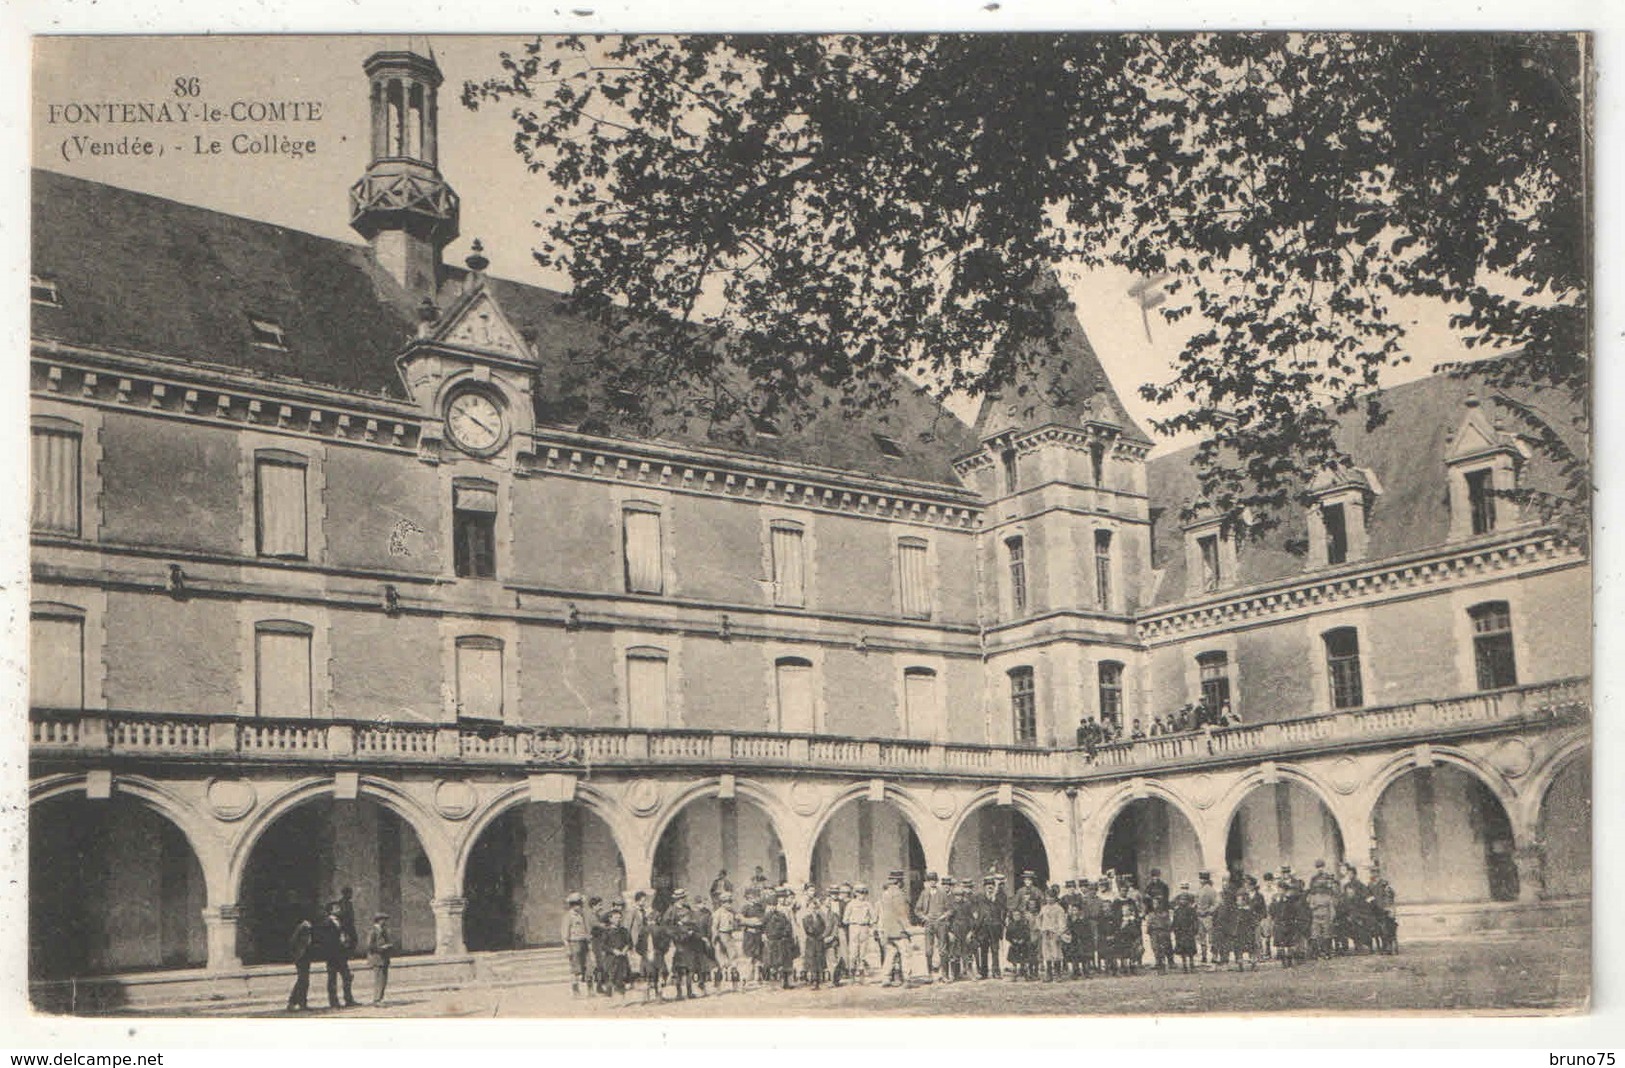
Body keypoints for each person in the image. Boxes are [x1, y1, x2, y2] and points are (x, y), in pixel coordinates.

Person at [318, 900, 357, 1008]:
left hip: (341, 954)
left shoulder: (340, 921)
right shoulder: (326, 923)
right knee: (332, 979)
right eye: (336, 908)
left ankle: (348, 999)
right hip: (332, 955)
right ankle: (334, 1002)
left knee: (347, 977)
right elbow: (326, 940)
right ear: (331, 911)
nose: (339, 909)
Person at [878, 870, 913, 987]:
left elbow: (883, 914)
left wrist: (883, 930)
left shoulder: (885, 894)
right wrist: (908, 928)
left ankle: (885, 978)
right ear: (899, 882)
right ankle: (907, 978)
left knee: (890, 954)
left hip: (888, 930)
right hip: (899, 930)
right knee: (905, 953)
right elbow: (901, 913)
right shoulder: (898, 894)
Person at [914, 871, 951, 977]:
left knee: (943, 949)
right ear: (927, 882)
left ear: (937, 881)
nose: (932, 882)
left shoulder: (943, 893)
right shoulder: (924, 893)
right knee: (928, 950)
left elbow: (950, 909)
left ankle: (944, 974)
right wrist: (924, 917)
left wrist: (943, 916)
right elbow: (917, 909)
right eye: (930, 881)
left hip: (940, 923)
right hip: (929, 923)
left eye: (934, 880)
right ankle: (929, 973)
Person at [763, 890, 797, 988]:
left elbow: (788, 925)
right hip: (771, 941)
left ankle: (785, 982)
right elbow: (762, 926)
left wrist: (785, 934)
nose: (773, 907)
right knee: (771, 962)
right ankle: (771, 983)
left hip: (782, 940)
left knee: (784, 961)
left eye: (774, 905)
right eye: (771, 905)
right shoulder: (766, 916)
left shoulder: (781, 915)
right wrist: (764, 935)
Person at [844, 883, 877, 979]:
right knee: (853, 951)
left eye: (864, 893)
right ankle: (852, 973)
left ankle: (861, 972)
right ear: (855, 893)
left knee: (863, 952)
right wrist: (853, 921)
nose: (862, 895)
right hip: (854, 927)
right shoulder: (851, 904)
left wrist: (869, 922)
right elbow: (845, 919)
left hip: (864, 928)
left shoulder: (868, 904)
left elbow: (874, 917)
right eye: (859, 893)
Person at [562, 892, 592, 995]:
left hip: (584, 942)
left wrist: (588, 941)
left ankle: (590, 989)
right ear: (572, 904)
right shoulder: (568, 916)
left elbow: (586, 929)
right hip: (574, 943)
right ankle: (576, 990)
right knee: (575, 969)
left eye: (580, 904)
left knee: (588, 966)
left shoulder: (582, 915)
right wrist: (568, 948)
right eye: (576, 904)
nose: (579, 906)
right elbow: (565, 934)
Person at [602, 903, 634, 997]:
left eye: (620, 917)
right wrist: (613, 951)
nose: (618, 920)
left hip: (622, 958)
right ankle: (610, 993)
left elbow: (629, 942)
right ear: (610, 919)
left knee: (622, 976)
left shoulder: (624, 930)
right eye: (616, 918)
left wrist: (626, 949)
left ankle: (621, 995)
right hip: (611, 958)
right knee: (612, 976)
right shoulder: (606, 931)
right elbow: (603, 945)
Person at [286, 909, 315, 1012]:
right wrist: (299, 952)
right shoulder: (304, 927)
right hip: (302, 957)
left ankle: (297, 1002)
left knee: (303, 980)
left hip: (303, 956)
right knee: (303, 980)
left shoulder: (305, 926)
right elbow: (297, 941)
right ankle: (298, 1002)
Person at [1037, 888, 1067, 982]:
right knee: (1047, 953)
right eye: (1047, 897)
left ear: (1055, 898)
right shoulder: (1044, 908)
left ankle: (1058, 974)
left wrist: (1059, 933)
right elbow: (1039, 919)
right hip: (1046, 933)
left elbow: (1062, 923)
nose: (1049, 899)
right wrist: (1041, 928)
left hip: (1054, 933)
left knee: (1056, 953)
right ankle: (1048, 975)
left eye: (1051, 897)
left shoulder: (1059, 909)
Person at [365, 912, 393, 1005]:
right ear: (379, 920)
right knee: (379, 980)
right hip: (377, 958)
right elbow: (369, 946)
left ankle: (380, 998)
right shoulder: (373, 931)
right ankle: (377, 999)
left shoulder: (383, 930)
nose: (385, 922)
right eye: (383, 920)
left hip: (384, 959)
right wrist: (382, 948)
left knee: (383, 980)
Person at [1171, 888, 1199, 974]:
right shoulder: (1177, 910)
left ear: (1188, 901)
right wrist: (1174, 930)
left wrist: (1195, 930)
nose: (1183, 901)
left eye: (1185, 900)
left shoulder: (1191, 910)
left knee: (1190, 950)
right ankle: (1184, 966)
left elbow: (1195, 921)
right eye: (1181, 899)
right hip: (1180, 933)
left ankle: (1192, 965)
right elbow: (1175, 921)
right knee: (1182, 951)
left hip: (1189, 932)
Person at [1194, 871, 1218, 965]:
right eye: (1201, 878)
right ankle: (1204, 956)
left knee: (1212, 937)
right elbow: (1196, 902)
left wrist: (1208, 911)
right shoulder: (1199, 890)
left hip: (1208, 917)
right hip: (1199, 916)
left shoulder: (1211, 890)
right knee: (1201, 937)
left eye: (1204, 879)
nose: (1202, 880)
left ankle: (1214, 956)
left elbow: (1215, 904)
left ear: (1207, 880)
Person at [1146, 901, 1174, 974]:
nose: (1155, 906)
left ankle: (1163, 967)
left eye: (1157, 904)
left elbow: (1169, 925)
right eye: (1154, 904)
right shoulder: (1151, 914)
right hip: (1154, 933)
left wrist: (1166, 933)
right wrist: (1150, 932)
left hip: (1162, 933)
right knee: (1155, 948)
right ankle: (1158, 963)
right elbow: (1148, 925)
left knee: (1162, 950)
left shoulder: (1165, 914)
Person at [335, 886, 359, 959]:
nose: (351, 895)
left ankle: (348, 954)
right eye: (350, 893)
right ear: (346, 894)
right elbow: (340, 913)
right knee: (345, 940)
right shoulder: (341, 903)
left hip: (349, 924)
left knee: (353, 939)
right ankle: (345, 954)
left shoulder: (349, 903)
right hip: (344, 924)